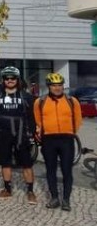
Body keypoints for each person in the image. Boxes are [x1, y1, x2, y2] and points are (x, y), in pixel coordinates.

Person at [0, 66, 37, 204]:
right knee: (5, 162)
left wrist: (32, 133)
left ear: (17, 79)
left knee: (26, 163)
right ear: (3, 80)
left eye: (13, 78)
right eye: (7, 78)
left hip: (21, 133)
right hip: (3, 133)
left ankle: (30, 191)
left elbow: (31, 117)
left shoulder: (26, 96)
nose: (10, 80)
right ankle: (7, 189)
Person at [34, 72, 82, 211]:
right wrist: (41, 131)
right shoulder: (40, 102)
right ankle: (54, 197)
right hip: (48, 140)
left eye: (60, 85)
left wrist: (71, 132)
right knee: (50, 170)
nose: (57, 88)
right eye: (54, 85)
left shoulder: (72, 101)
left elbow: (78, 119)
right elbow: (37, 119)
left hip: (66, 140)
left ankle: (66, 200)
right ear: (48, 86)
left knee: (67, 170)